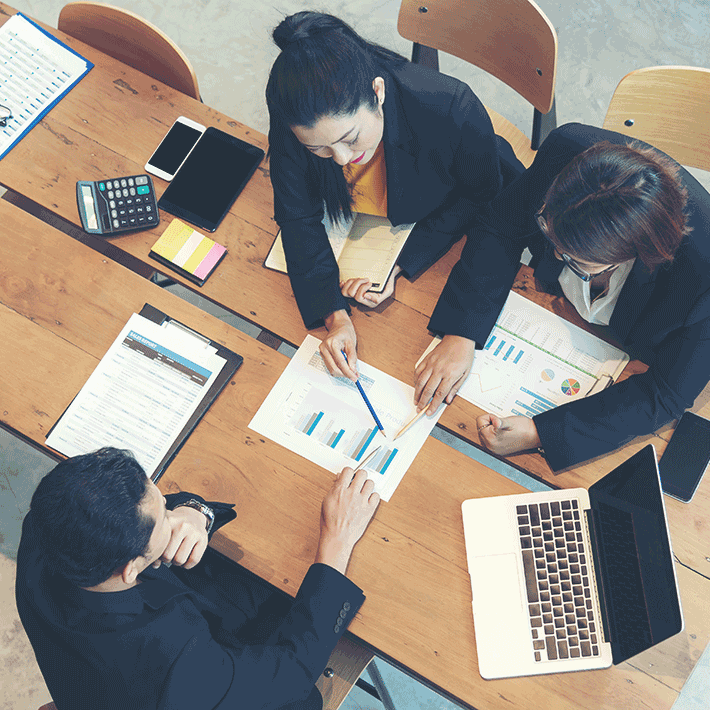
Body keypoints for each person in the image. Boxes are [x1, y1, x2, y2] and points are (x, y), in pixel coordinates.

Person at [266, 11, 523, 411]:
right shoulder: (297, 121)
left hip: (439, 211)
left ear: (378, 92)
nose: (339, 159)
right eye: (318, 149)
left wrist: (402, 265)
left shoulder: (449, 106)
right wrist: (335, 316)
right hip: (373, 222)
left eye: (349, 138)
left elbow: (481, 196)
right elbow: (297, 217)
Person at [429, 122, 710, 471]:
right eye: (553, 238)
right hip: (552, 313)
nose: (557, 255)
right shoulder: (566, 151)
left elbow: (664, 394)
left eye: (576, 259)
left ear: (633, 253)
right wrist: (462, 330)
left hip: (630, 351)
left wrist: (540, 431)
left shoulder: (703, 274)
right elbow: (501, 225)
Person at [15, 447, 380, 710]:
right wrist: (337, 539)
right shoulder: (175, 662)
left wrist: (194, 512)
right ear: (130, 569)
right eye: (164, 518)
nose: (167, 510)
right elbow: (291, 673)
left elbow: (129, 514)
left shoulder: (44, 526)